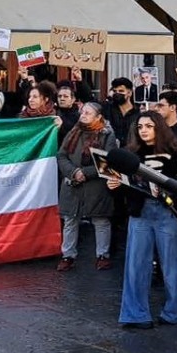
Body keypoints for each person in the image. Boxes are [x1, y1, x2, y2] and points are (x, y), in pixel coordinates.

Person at [111, 112, 177, 329]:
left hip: (167, 212)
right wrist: (115, 186)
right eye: (140, 127)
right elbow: (124, 190)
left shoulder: (176, 153)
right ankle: (135, 314)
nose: (143, 130)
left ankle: (174, 312)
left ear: (159, 127)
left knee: (171, 266)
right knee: (136, 265)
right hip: (140, 213)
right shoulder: (130, 154)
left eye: (149, 126)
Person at [56, 102, 119, 272]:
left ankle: (102, 255)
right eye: (82, 112)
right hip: (72, 183)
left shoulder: (106, 134)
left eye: (88, 113)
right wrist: (73, 172)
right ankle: (68, 255)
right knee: (70, 219)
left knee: (100, 220)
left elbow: (108, 161)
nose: (83, 115)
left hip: (96, 185)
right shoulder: (74, 131)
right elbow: (61, 155)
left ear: (98, 117)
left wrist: (85, 173)